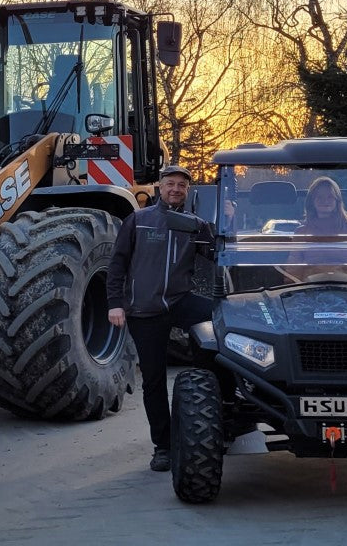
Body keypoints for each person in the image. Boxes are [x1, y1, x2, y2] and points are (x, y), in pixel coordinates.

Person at [106, 164, 214, 472]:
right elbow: (117, 265)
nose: (176, 189)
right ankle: (163, 446)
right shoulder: (138, 221)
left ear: (187, 191)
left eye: (182, 185)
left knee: (222, 324)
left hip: (180, 302)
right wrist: (116, 303)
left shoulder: (197, 224)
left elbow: (218, 255)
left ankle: (213, 423)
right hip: (144, 309)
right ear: (160, 187)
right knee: (153, 379)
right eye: (170, 184)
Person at [289, 177, 347, 282]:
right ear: (312, 201)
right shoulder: (301, 232)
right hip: (310, 288)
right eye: (319, 197)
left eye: (330, 197)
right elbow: (294, 267)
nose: (325, 201)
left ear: (337, 201)